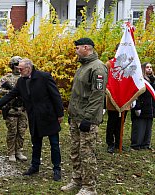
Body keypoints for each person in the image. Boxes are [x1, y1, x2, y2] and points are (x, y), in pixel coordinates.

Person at [0, 58, 64, 182]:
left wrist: (60, 114)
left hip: (49, 116)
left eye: (21, 69)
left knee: (54, 144)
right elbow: (11, 94)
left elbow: (56, 96)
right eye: (18, 68)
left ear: (29, 68)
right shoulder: (21, 82)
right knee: (36, 144)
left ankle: (57, 169)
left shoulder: (44, 77)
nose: (19, 70)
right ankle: (35, 166)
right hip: (33, 117)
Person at [62, 38, 107, 195]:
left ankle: (89, 187)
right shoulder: (83, 66)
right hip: (76, 116)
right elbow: (78, 94)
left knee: (87, 152)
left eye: (77, 48)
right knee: (75, 150)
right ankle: (77, 179)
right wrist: (71, 114)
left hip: (87, 118)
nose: (75, 50)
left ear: (86, 47)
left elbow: (97, 95)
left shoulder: (98, 68)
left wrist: (88, 118)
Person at [0, 56, 28, 162]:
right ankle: (11, 153)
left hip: (23, 109)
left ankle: (19, 151)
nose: (18, 67)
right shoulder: (6, 78)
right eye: (16, 65)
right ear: (12, 66)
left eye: (20, 65)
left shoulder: (25, 77)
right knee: (12, 132)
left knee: (21, 132)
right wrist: (11, 93)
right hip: (11, 109)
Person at [105, 43, 128, 153]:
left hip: (125, 97)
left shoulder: (129, 63)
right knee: (112, 122)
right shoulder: (109, 64)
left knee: (121, 122)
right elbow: (106, 80)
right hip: (113, 97)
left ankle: (119, 142)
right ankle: (110, 143)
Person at [130, 62, 154, 150]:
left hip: (150, 108)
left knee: (148, 127)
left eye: (151, 67)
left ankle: (146, 144)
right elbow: (136, 95)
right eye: (147, 67)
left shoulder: (152, 80)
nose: (149, 69)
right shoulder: (139, 80)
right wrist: (137, 107)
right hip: (141, 107)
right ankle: (136, 144)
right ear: (143, 68)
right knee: (139, 126)